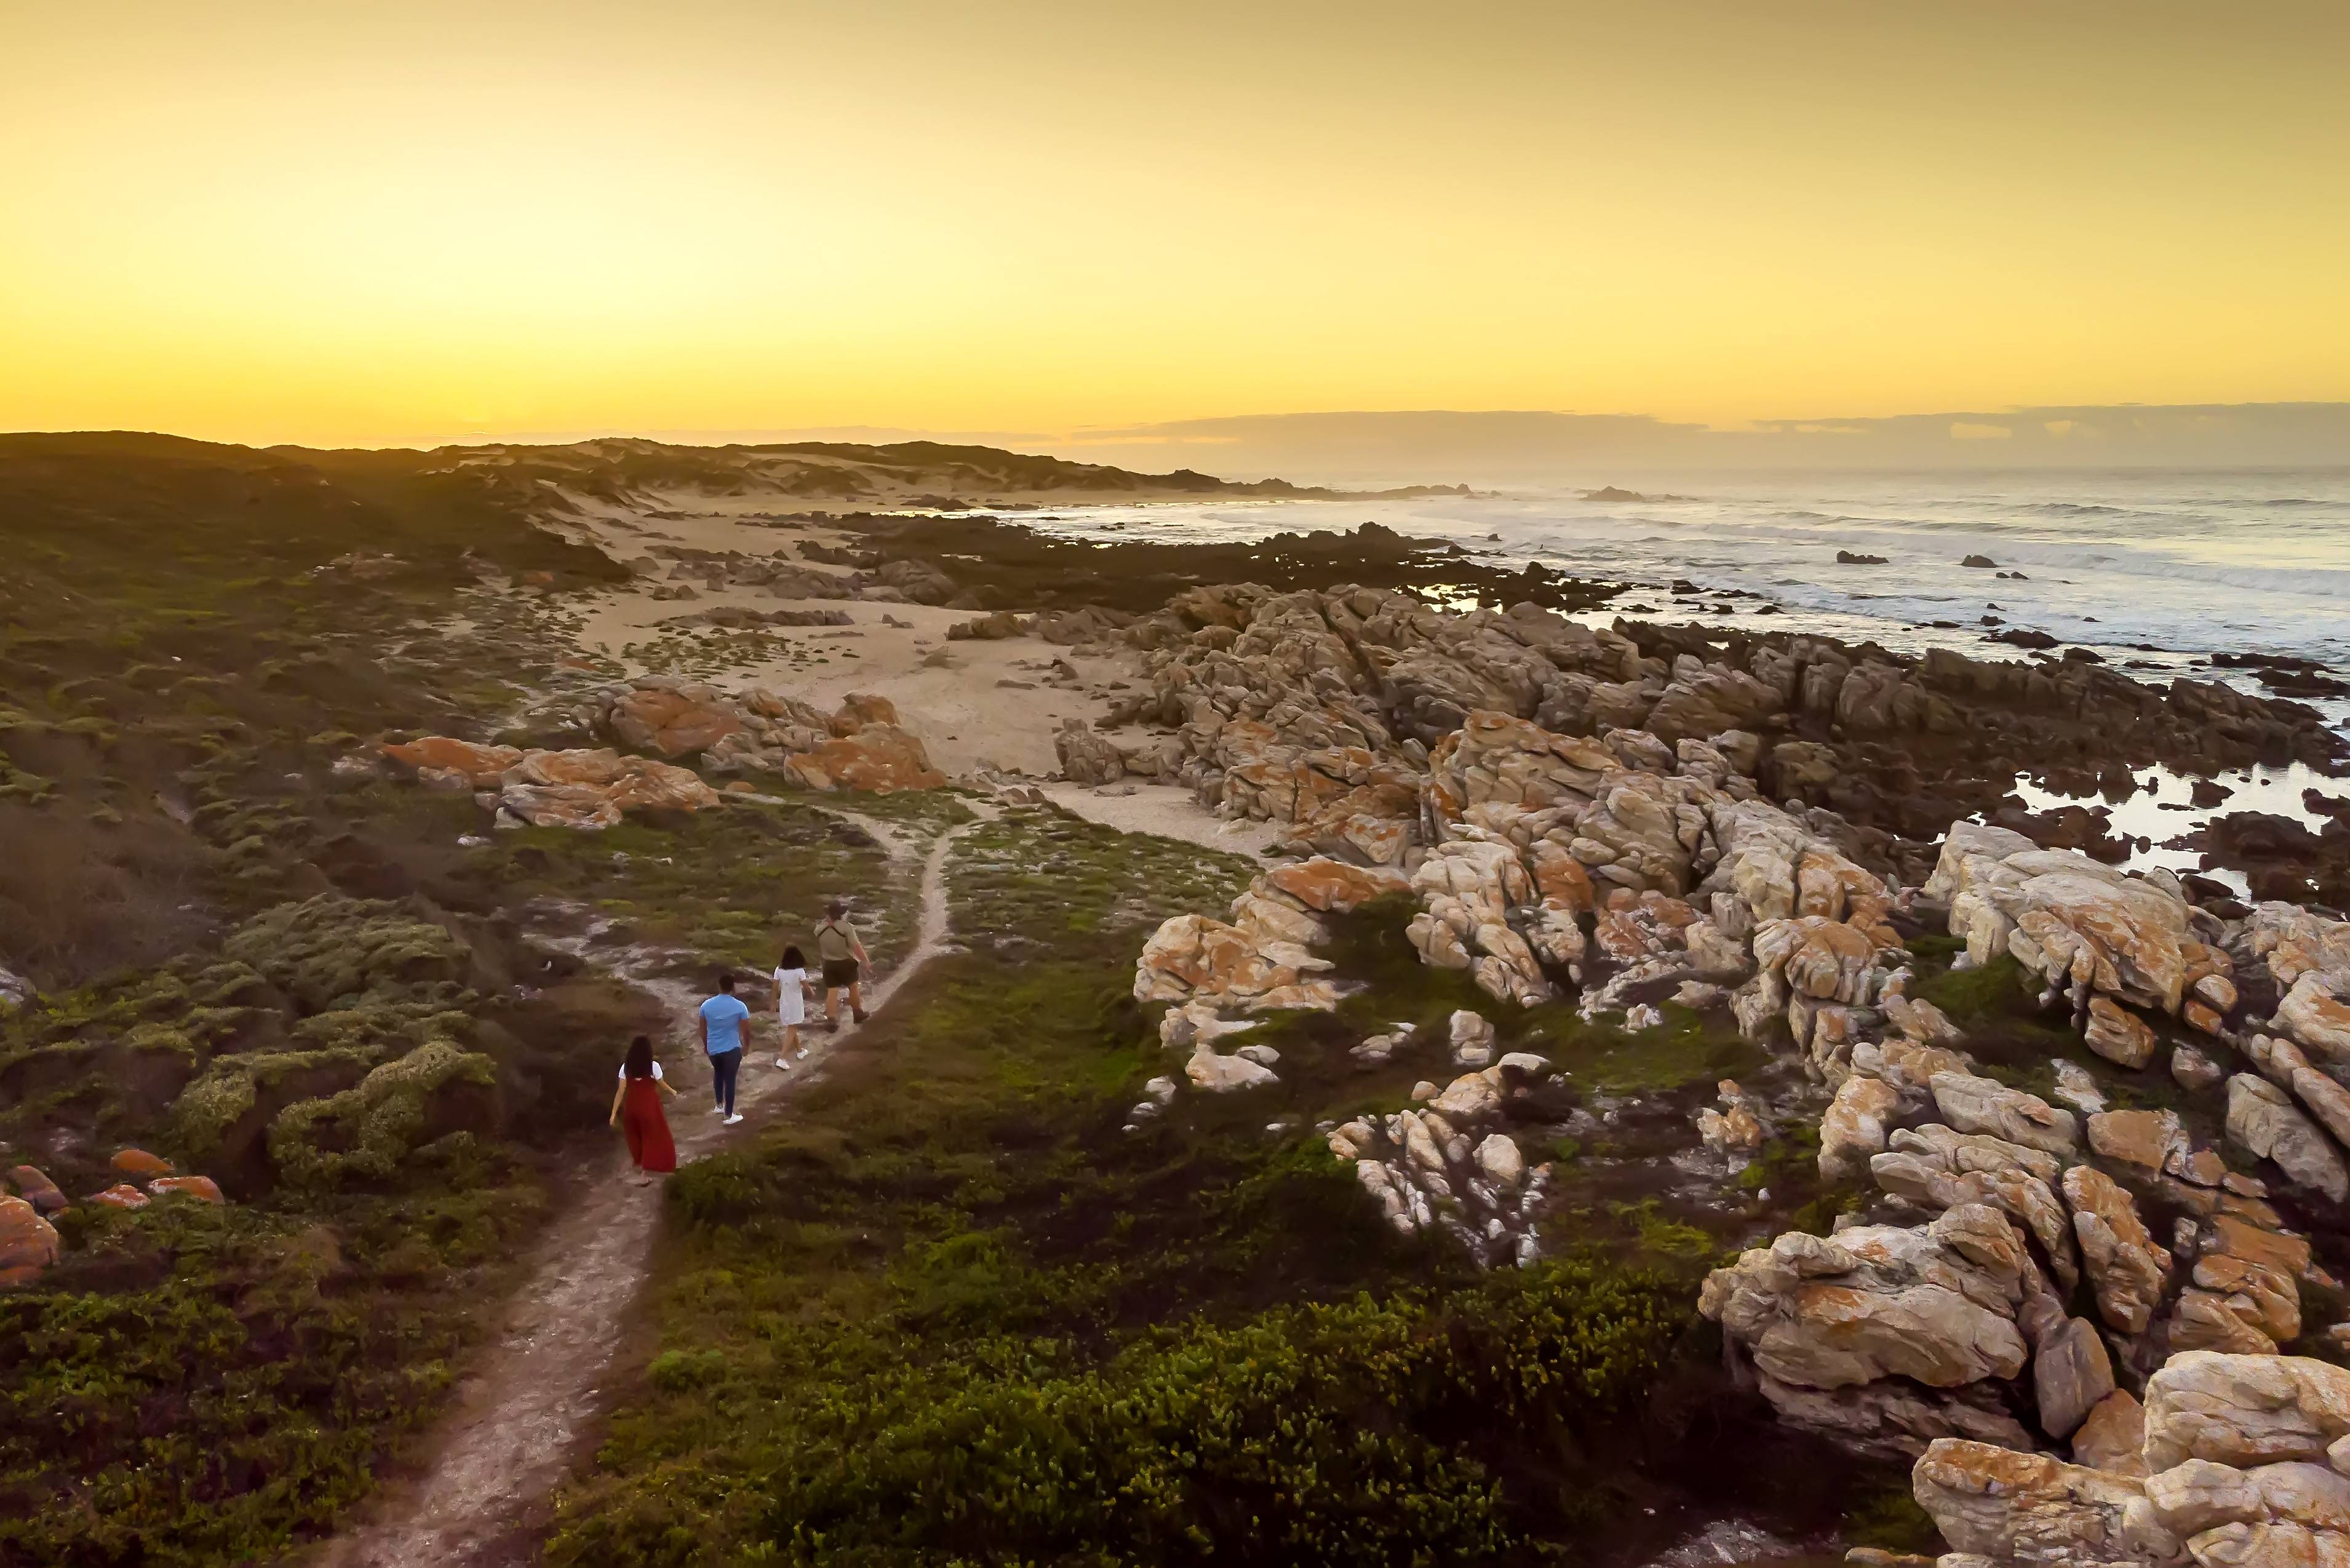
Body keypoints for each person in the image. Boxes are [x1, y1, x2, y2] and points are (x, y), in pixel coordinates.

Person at [608, 1034, 678, 1185]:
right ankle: (653, 1170)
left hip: (631, 1108)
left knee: (636, 1137)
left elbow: (620, 1092)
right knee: (656, 1136)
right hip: (649, 1107)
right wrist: (673, 1092)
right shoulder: (653, 1067)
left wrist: (613, 1114)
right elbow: (661, 1083)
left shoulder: (625, 1068)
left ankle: (641, 1168)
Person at [698, 973, 752, 1124]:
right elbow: (746, 1030)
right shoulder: (740, 1006)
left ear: (719, 986)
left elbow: (703, 1029)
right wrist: (747, 1046)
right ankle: (729, 1115)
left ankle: (719, 1105)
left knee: (718, 1073)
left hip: (714, 1048)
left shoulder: (706, 1005)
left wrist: (706, 1045)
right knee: (730, 1080)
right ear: (733, 987)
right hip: (732, 1048)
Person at [815, 901, 870, 1030]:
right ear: (841, 914)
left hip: (829, 963)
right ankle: (857, 1014)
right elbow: (856, 947)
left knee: (832, 992)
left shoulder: (820, 928)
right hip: (846, 962)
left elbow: (818, 931)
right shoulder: (846, 927)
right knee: (853, 987)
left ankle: (832, 1021)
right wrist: (865, 961)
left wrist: (828, 922)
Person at [771, 944, 810, 1064]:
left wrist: (773, 1004)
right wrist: (812, 992)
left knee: (791, 1026)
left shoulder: (779, 970)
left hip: (784, 1002)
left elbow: (774, 988)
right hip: (795, 1003)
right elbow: (807, 988)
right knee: (792, 1028)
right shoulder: (800, 971)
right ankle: (782, 1058)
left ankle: (799, 1051)